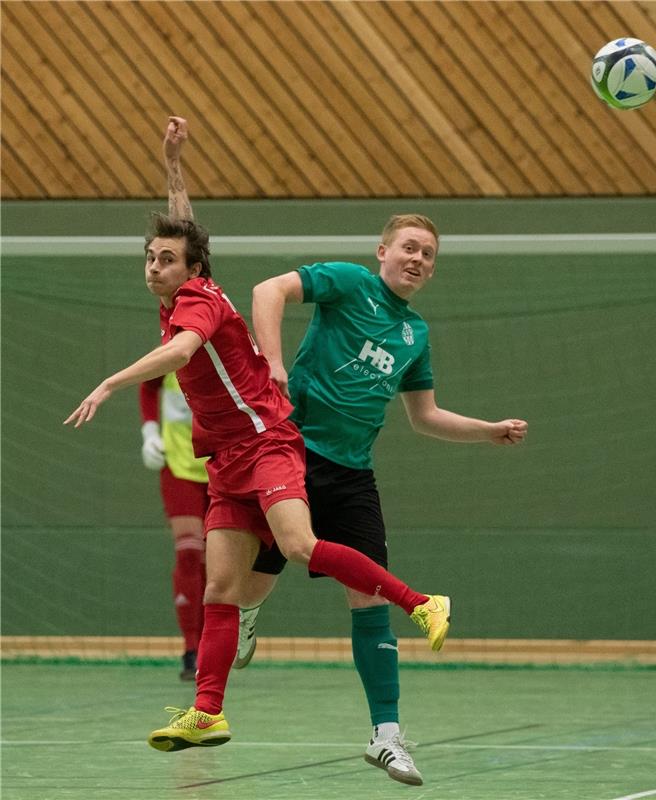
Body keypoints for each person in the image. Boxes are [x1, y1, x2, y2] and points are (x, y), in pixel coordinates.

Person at [162, 117, 528, 785]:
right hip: (290, 455)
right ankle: (236, 633)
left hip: (352, 475)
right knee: (240, 581)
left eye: (429, 255)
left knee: (366, 601)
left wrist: (486, 430)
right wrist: (272, 361)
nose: (418, 260)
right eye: (409, 248)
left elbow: (423, 416)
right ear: (382, 250)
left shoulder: (414, 332)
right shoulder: (348, 283)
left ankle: (386, 735)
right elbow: (268, 290)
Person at [64, 205, 451, 755]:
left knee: (299, 545)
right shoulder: (177, 295)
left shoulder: (198, 303)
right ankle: (207, 713)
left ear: (194, 268)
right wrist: (173, 165)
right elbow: (184, 229)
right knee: (219, 588)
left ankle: (418, 603)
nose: (153, 266)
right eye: (149, 258)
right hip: (224, 459)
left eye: (165, 259)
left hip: (267, 443)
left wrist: (108, 384)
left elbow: (180, 350)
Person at [139, 373, 208, 680]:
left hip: (224, 464)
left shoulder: (230, 353)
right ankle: (191, 648)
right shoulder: (169, 353)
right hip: (179, 467)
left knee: (219, 560)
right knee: (190, 552)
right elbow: (147, 385)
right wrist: (150, 431)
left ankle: (212, 645)